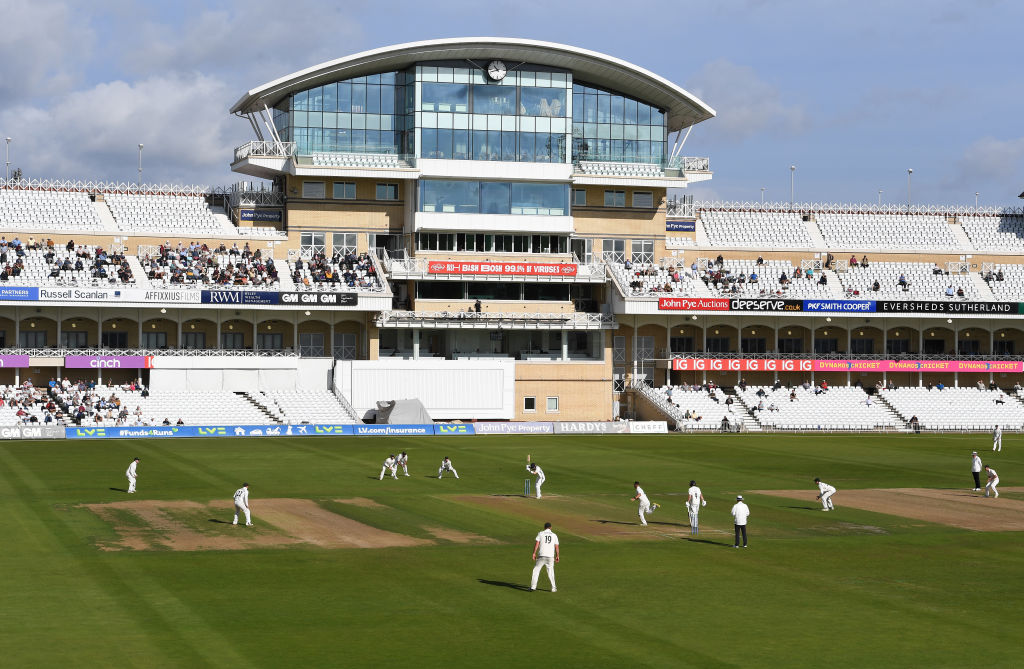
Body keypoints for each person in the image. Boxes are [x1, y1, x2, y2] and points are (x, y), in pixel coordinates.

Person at [530, 522, 559, 592]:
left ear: (544, 527)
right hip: (551, 557)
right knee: (551, 572)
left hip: (542, 556)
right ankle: (553, 588)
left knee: (536, 571)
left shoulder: (541, 533)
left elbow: (537, 544)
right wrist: (557, 555)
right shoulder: (554, 535)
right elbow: (556, 547)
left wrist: (534, 553)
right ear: (550, 528)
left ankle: (533, 587)